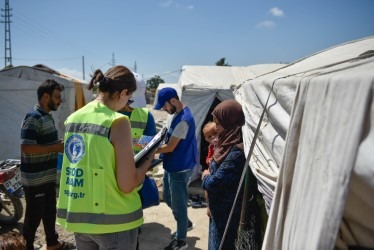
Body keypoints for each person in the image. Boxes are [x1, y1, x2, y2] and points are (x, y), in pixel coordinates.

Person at [56, 65, 154, 250]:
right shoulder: (117, 121)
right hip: (114, 221)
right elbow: (126, 185)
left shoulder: (73, 119)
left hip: (80, 219)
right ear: (123, 92)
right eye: (129, 98)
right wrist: (148, 158)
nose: (127, 104)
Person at [201, 99, 261, 250]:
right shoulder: (224, 144)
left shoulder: (237, 151)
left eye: (219, 123)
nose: (215, 127)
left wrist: (205, 175)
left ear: (231, 122)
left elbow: (215, 183)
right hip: (218, 213)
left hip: (229, 215)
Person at [20, 79, 71, 250]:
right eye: (57, 97)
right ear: (45, 96)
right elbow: (26, 147)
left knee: (49, 213)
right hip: (35, 181)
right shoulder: (33, 117)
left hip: (46, 177)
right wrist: (56, 147)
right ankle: (24, 247)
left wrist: (58, 143)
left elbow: (43, 142)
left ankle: (52, 243)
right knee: (32, 219)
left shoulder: (46, 117)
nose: (60, 101)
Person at [154, 87, 198, 250]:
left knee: (179, 203)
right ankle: (184, 223)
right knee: (167, 195)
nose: (164, 110)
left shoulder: (183, 119)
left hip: (180, 167)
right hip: (172, 165)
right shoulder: (178, 114)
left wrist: (149, 149)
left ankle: (181, 241)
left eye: (164, 106)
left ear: (173, 100)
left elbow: (170, 147)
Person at [118, 72, 157, 250]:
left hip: (134, 180)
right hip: (109, 180)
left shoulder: (145, 116)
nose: (131, 108)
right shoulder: (107, 114)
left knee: (132, 231)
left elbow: (149, 145)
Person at [118, 72, 157, 153]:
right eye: (131, 102)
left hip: (137, 163)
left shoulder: (146, 116)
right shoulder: (107, 114)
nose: (134, 107)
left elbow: (148, 147)